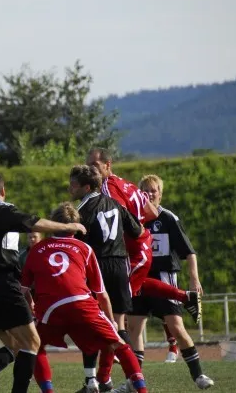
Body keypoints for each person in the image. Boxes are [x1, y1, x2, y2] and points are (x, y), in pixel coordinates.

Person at [0, 172, 87, 393]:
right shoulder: (2, 211)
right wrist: (68, 227)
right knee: (32, 342)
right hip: (2, 284)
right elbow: (33, 222)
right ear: (3, 191)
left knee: (16, 347)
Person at [85, 147, 201, 392]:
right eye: (88, 165)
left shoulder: (107, 188)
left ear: (108, 165)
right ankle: (104, 379)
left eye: (94, 165)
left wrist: (129, 233)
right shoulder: (125, 184)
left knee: (115, 316)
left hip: (133, 252)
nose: (90, 169)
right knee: (119, 318)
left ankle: (103, 379)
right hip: (136, 249)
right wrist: (136, 227)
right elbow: (151, 212)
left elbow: (122, 217)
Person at [21, 202, 148, 393]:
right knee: (119, 345)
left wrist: (30, 304)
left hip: (50, 308)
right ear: (76, 226)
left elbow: (23, 289)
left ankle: (49, 390)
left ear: (53, 223)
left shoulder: (37, 249)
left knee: (35, 346)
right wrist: (111, 321)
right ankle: (141, 389)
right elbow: (101, 293)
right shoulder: (84, 248)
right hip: (81, 302)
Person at [127, 174, 214, 390]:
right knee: (134, 329)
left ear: (160, 194)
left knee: (176, 327)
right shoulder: (132, 218)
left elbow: (189, 252)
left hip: (163, 278)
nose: (149, 194)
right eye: (145, 190)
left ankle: (198, 375)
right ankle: (134, 381)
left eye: (153, 190)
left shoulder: (168, 218)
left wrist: (194, 279)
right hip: (138, 278)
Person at [68, 165, 144, 392]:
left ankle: (91, 381)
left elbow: (75, 244)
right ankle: (133, 379)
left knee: (91, 324)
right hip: (120, 266)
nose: (70, 188)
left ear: (87, 187)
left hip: (97, 267)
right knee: (118, 324)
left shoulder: (81, 210)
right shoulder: (116, 204)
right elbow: (138, 231)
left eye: (74, 185)